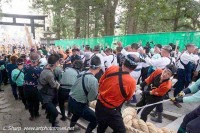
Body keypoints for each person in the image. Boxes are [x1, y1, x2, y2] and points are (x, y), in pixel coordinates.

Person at [95, 54, 139, 133]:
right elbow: (128, 98)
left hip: (99, 104)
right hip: (111, 110)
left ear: (123, 62)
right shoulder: (132, 82)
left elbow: (101, 81)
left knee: (101, 125)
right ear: (134, 68)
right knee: (121, 131)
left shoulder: (111, 68)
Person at [68, 55, 100, 133]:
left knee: (76, 114)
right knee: (95, 119)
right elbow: (90, 98)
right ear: (99, 68)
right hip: (79, 105)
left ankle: (71, 129)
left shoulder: (82, 73)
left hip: (70, 100)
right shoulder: (94, 80)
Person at [38, 54, 60, 127]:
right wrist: (58, 85)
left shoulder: (45, 68)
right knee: (55, 113)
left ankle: (49, 117)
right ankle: (53, 124)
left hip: (45, 92)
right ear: (56, 63)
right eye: (58, 62)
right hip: (45, 95)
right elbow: (54, 85)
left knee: (53, 105)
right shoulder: (49, 74)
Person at [23, 52, 42, 121]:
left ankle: (32, 115)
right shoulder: (39, 69)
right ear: (37, 60)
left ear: (30, 60)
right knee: (36, 102)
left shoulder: (25, 67)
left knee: (29, 102)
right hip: (35, 89)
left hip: (26, 88)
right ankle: (36, 113)